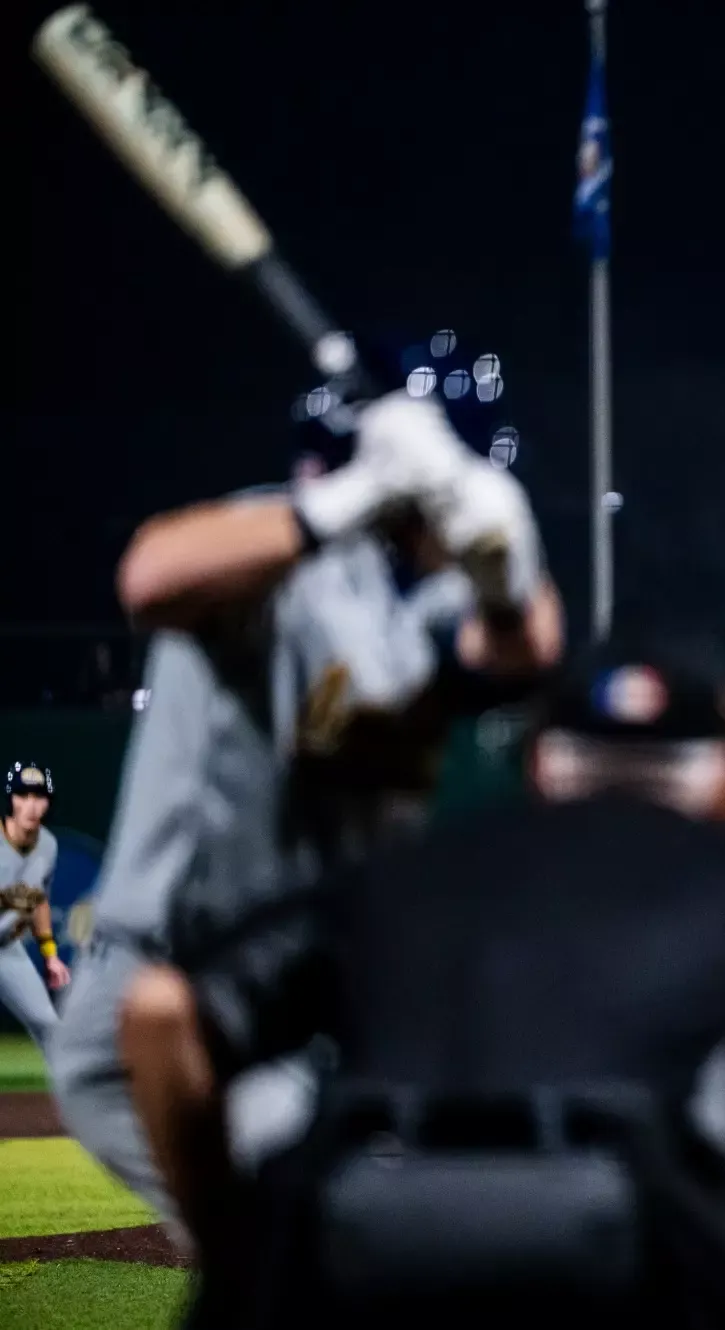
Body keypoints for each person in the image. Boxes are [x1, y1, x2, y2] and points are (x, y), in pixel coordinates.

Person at [116, 634, 725, 1329]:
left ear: (541, 760)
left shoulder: (405, 869)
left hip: (355, 1246)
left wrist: (234, 1252)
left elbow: (160, 1013)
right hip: (629, 1243)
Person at [49, 391, 564, 1249]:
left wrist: (507, 577)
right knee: (330, 1248)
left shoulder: (421, 598)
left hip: (304, 996)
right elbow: (150, 576)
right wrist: (351, 498)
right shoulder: (273, 548)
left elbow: (525, 655)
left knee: (340, 1252)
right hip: (174, 991)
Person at [1, 762, 70, 1052]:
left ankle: (72, 1084)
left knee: (49, 1026)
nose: (31, 805)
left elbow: (39, 900)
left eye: (39, 796)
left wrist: (50, 955)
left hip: (6, 949)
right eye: (23, 795)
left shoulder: (48, 845)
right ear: (11, 801)